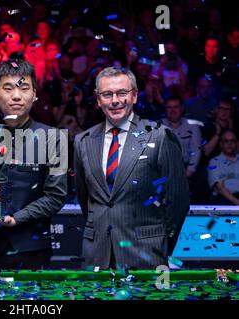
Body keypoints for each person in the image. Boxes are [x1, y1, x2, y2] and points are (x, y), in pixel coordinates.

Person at [74, 67, 190, 269]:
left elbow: (177, 200)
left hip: (146, 252)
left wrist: (160, 242)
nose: (115, 100)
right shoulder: (83, 141)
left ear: (134, 96)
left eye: (122, 93)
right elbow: (87, 200)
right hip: (97, 254)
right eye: (107, 94)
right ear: (98, 100)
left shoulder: (159, 136)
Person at [0, 60, 67, 269]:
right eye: (8, 88)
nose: (17, 95)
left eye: (24, 88)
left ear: (35, 94)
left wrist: (16, 218)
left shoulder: (54, 138)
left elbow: (56, 196)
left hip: (34, 250)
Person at [162, 96, 202, 178]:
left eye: (176, 107)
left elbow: (196, 151)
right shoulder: (158, 126)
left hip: (186, 168)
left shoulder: (193, 126)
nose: (172, 110)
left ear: (182, 109)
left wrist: (188, 173)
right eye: (169, 107)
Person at [208, 130, 239, 205]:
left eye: (232, 141)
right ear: (221, 144)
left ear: (236, 143)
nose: (229, 143)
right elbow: (220, 188)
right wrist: (238, 203)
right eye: (226, 141)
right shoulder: (214, 162)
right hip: (224, 198)